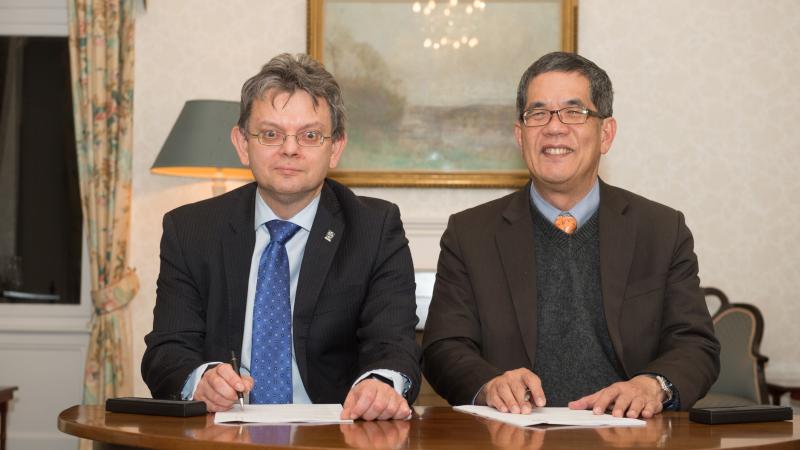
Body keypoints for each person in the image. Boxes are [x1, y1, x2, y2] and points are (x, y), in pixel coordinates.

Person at [421, 52, 720, 419]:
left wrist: (653, 385)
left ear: (606, 134)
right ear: (520, 135)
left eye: (574, 112)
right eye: (538, 114)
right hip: (511, 434)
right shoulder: (470, 234)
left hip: (628, 434)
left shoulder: (660, 230)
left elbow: (695, 344)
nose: (554, 128)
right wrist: (489, 385)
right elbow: (443, 347)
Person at [142, 53, 420, 421]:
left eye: (310, 135)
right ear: (242, 143)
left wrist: (379, 385)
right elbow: (166, 350)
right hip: (223, 433)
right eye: (271, 134)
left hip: (333, 433)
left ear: (335, 148)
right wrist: (200, 381)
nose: (290, 149)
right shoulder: (191, 229)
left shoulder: (374, 227)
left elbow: (393, 343)